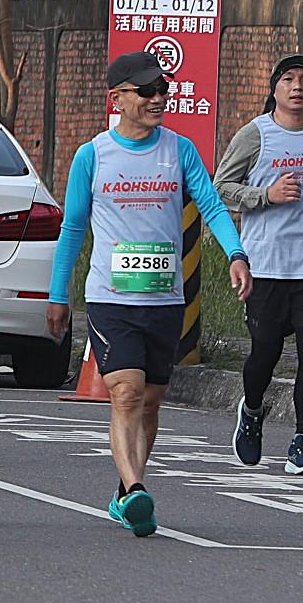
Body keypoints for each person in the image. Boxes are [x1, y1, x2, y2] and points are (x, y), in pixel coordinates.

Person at [47, 51, 252, 538]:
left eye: (163, 90)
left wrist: (236, 254)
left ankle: (125, 491)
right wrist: (59, 293)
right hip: (110, 298)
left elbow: (211, 205)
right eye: (146, 91)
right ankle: (137, 489)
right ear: (116, 98)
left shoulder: (179, 150)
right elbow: (73, 228)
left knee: (152, 400)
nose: (159, 98)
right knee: (126, 393)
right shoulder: (92, 155)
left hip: (164, 299)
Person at [214, 54, 303, 476]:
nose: (298, 87)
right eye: (289, 79)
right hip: (266, 266)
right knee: (265, 354)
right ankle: (253, 409)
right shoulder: (256, 135)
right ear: (275, 88)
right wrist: (266, 195)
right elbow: (221, 186)